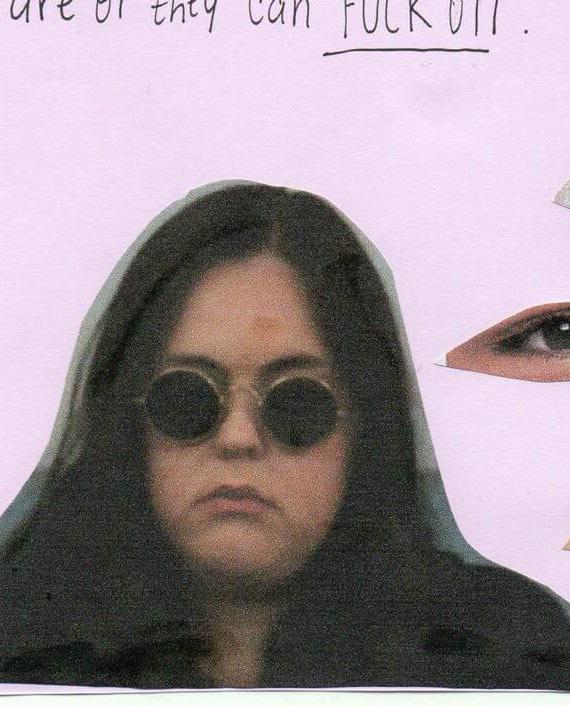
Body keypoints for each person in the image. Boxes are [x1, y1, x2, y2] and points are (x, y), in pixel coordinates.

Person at [0, 180, 569, 690]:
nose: (239, 439)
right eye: (186, 397)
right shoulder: (17, 637)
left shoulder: (515, 654)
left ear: (367, 428)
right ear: (126, 422)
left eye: (298, 402)